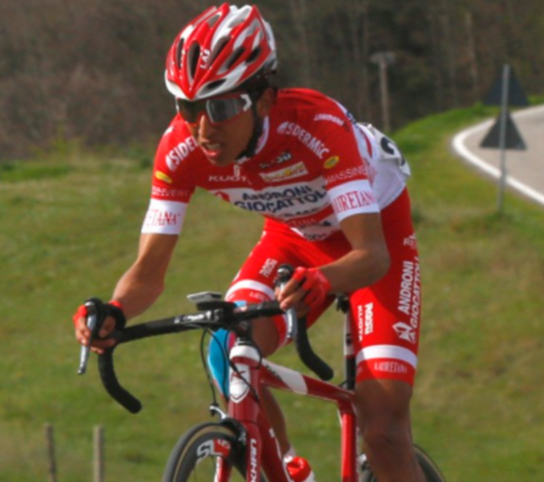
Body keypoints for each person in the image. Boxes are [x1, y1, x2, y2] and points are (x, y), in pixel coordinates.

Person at [71, 4, 425, 481]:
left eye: (220, 108)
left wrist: (323, 280)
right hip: (292, 238)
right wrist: (114, 311)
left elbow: (372, 256)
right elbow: (149, 272)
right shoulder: (179, 151)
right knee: (230, 351)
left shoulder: (316, 126)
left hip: (373, 239)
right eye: (188, 108)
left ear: (263, 100)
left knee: (382, 429)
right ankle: (289, 467)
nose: (203, 128)